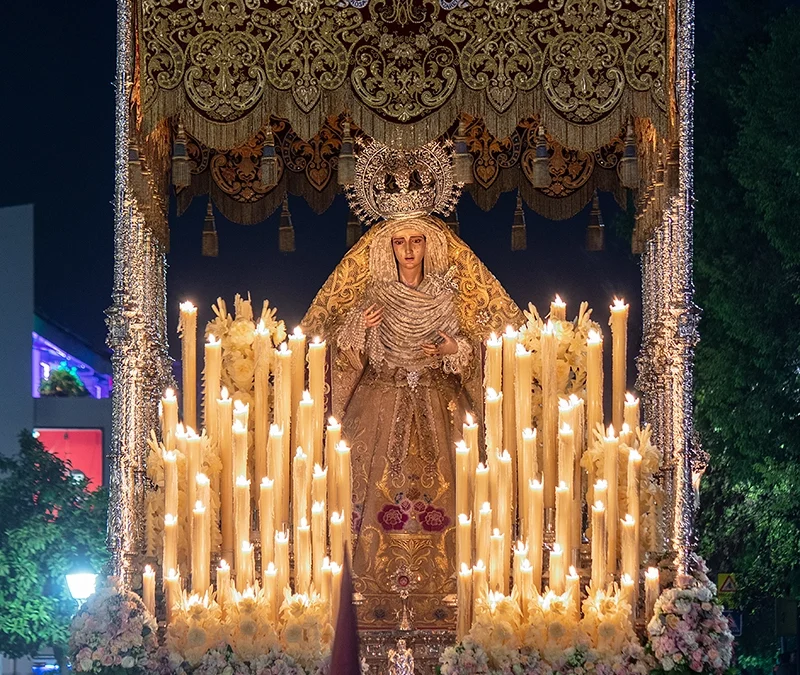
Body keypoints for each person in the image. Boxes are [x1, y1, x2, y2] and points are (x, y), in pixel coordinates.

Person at [303, 213, 521, 629]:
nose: (408, 250)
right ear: (390, 247)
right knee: (365, 493)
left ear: (428, 246)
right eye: (400, 241)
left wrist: (452, 347)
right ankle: (369, 595)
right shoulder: (375, 296)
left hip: (440, 407)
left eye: (416, 241)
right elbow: (342, 353)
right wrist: (356, 328)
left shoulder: (445, 295)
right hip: (379, 404)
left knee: (455, 492)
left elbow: (474, 351)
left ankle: (453, 597)